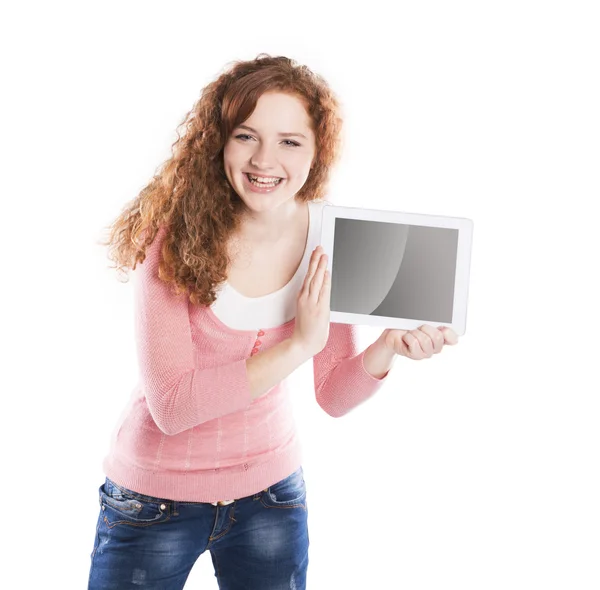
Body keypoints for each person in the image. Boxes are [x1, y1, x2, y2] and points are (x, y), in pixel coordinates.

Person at [88, 53, 458, 590]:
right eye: (246, 135)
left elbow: (332, 394)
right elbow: (173, 406)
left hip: (271, 496)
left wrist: (385, 348)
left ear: (316, 151)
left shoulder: (328, 240)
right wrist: (298, 345)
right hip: (153, 502)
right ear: (219, 141)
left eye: (290, 141)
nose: (265, 160)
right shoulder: (171, 241)